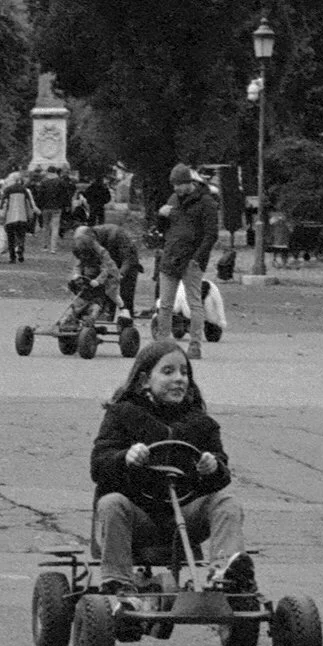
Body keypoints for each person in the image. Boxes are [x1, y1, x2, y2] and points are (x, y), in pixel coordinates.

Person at [89, 340, 254, 607]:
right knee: (110, 503)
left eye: (184, 372)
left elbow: (222, 475)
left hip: (185, 519)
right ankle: (119, 584)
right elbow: (99, 465)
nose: (179, 379)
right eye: (168, 372)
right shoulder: (123, 415)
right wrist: (125, 458)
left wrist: (212, 468)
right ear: (145, 379)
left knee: (227, 503)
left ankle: (225, 572)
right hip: (137, 518)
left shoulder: (200, 423)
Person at [154, 164, 218, 360]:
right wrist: (161, 215)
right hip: (170, 256)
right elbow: (164, 229)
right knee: (165, 304)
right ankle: (163, 344)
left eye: (179, 185)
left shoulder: (206, 202)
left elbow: (211, 235)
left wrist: (197, 259)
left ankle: (195, 344)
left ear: (189, 183)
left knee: (194, 304)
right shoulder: (173, 200)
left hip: (191, 260)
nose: (176, 189)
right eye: (174, 185)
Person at [69, 227, 130, 324]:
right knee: (80, 291)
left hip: (109, 274)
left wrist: (98, 280)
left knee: (112, 293)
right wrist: (76, 274)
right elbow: (78, 265)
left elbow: (106, 268)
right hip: (90, 274)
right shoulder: (80, 250)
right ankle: (78, 312)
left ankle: (124, 310)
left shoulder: (100, 252)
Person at [91, 222, 143, 319]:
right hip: (111, 262)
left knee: (126, 292)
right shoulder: (90, 236)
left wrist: (120, 273)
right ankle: (106, 313)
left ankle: (126, 318)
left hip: (127, 262)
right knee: (105, 288)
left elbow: (128, 258)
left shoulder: (116, 234)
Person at [0, 172, 37, 264]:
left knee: (10, 238)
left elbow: (4, 204)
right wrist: (30, 216)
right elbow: (28, 204)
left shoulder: (7, 190)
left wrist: (2, 216)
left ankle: (12, 257)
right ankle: (20, 248)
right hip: (22, 216)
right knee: (21, 235)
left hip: (10, 217)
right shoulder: (24, 190)